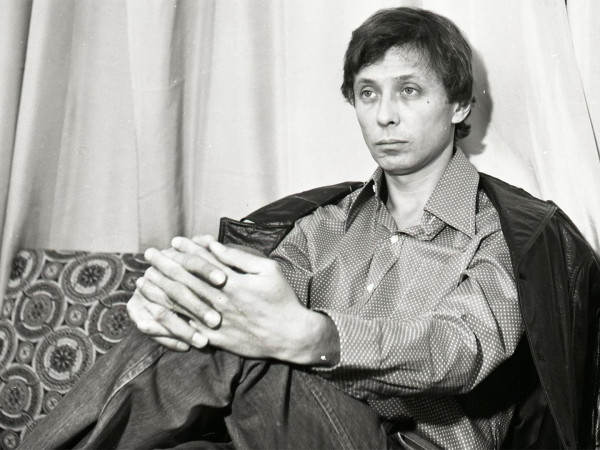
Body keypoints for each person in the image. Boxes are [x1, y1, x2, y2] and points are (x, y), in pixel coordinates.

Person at [21, 6, 600, 450]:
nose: (384, 115)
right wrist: (175, 300)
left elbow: (459, 348)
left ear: (459, 106)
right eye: (368, 93)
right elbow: (253, 304)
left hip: (411, 444)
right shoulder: (325, 224)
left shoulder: (501, 231)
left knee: (241, 342)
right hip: (293, 425)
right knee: (211, 350)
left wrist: (315, 337)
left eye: (410, 91)